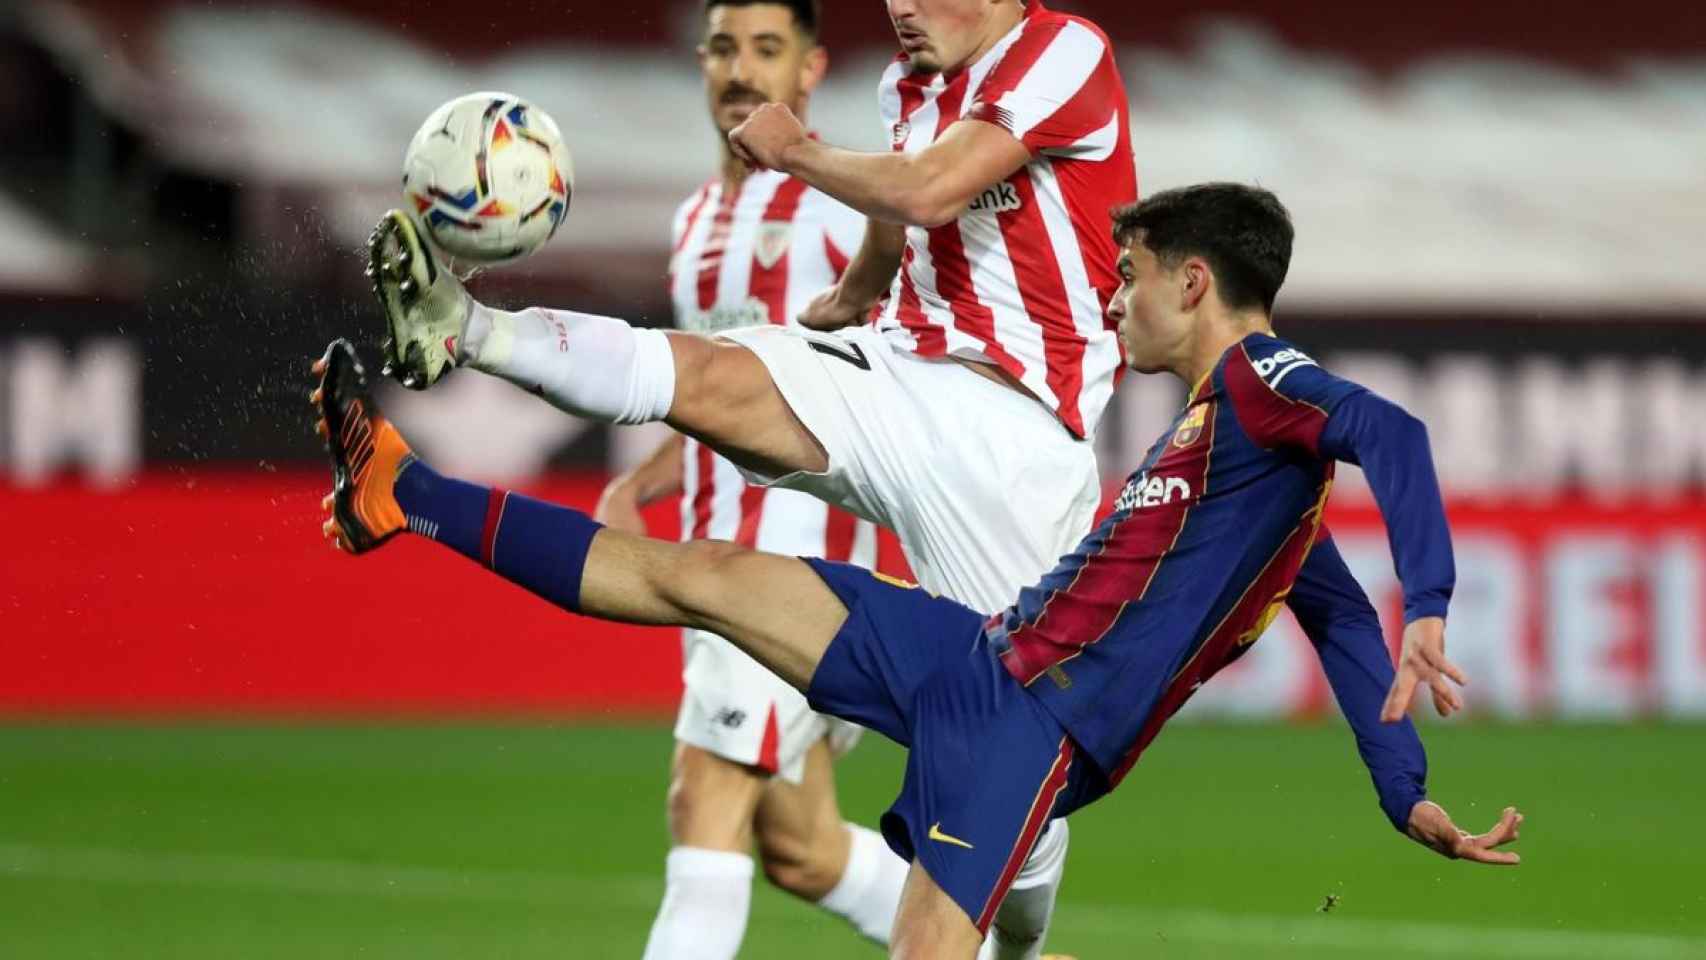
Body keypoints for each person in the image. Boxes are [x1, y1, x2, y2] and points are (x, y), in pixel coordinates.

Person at [315, 183, 1523, 959]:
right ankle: (401, 495)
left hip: (1029, 736)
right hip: (970, 656)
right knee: (700, 576)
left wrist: (1428, 604)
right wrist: (1401, 787)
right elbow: (1326, 612)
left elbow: (1394, 439)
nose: (1112, 304)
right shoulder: (1218, 447)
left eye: (1128, 277)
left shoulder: (1266, 387)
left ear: (1190, 283)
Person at [364, 1, 1138, 953]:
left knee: (1014, 813)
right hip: (901, 375)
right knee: (712, 372)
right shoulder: (911, 83)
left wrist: (799, 152)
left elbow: (933, 187)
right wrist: (859, 294)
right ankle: (469, 328)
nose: (896, 5)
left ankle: (1014, 946)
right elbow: (902, 212)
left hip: (1014, 435)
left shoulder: (1064, 52)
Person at [594, 2, 910, 957]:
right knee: (802, 848)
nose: (742, 70)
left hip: (796, 562)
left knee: (705, 795)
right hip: (716, 555)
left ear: (810, 70)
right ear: (700, 62)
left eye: (767, 50)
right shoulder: (697, 220)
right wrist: (645, 483)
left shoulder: (842, 209)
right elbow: (723, 393)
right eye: (725, 48)